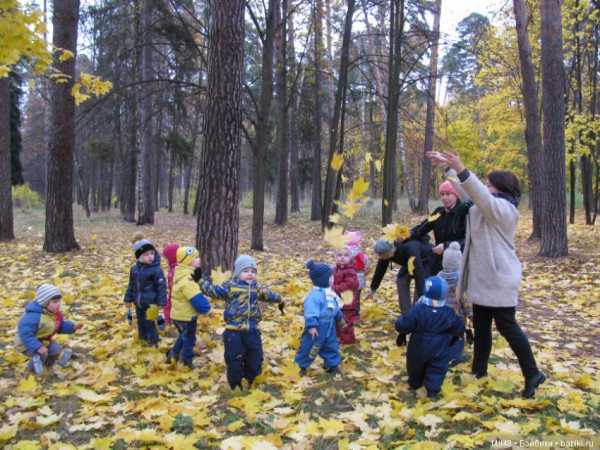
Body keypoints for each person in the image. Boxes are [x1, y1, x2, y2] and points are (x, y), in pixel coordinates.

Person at [427, 150, 546, 398]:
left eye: (489, 184)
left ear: (500, 188)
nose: (485, 187)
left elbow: (478, 193)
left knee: (508, 327)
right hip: (483, 279)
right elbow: (468, 192)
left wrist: (461, 168)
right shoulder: (486, 205)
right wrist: (449, 169)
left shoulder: (504, 210)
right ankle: (479, 371)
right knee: (481, 329)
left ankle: (532, 373)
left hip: (499, 279)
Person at [199, 255, 284, 390]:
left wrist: (280, 299)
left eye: (253, 271)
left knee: (255, 357)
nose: (250, 274)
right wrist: (201, 281)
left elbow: (269, 295)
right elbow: (213, 291)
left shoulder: (257, 287)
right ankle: (235, 384)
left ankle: (252, 380)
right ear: (238, 272)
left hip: (252, 330)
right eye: (246, 271)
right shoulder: (230, 286)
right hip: (234, 332)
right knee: (234, 359)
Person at [394, 276, 464, 399]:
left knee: (415, 365)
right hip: (440, 347)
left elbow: (404, 324)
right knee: (437, 367)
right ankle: (433, 389)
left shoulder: (418, 309)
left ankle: (415, 383)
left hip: (418, 345)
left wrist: (399, 324)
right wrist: (457, 335)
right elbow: (458, 327)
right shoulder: (448, 312)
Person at [367, 238, 431, 345]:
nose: (381, 258)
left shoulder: (410, 248)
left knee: (419, 295)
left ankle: (417, 321)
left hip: (424, 262)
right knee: (401, 280)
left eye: (383, 256)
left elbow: (419, 272)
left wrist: (422, 295)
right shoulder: (386, 252)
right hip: (408, 263)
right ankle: (407, 320)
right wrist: (373, 288)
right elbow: (380, 269)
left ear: (391, 250)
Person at [15, 284, 82, 375]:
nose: (58, 304)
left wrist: (71, 327)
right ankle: (32, 372)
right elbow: (25, 334)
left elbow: (59, 325)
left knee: (56, 349)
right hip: (26, 343)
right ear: (44, 303)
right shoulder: (33, 317)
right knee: (42, 354)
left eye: (59, 301)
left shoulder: (55, 313)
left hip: (43, 339)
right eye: (55, 302)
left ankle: (48, 365)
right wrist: (37, 346)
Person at [295, 260, 346, 375]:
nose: (333, 279)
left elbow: (334, 308)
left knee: (331, 345)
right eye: (330, 277)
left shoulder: (331, 294)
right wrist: (312, 325)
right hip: (317, 328)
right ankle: (301, 365)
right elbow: (311, 312)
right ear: (322, 279)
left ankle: (332, 365)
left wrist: (340, 318)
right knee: (310, 347)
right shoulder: (314, 296)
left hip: (330, 326)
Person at [410, 181, 471, 274]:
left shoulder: (464, 214)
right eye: (442, 194)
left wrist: (446, 246)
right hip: (438, 261)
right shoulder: (439, 212)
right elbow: (422, 228)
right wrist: (405, 234)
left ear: (456, 195)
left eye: (448, 194)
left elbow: (467, 240)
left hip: (458, 263)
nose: (444, 197)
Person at [166, 246, 211, 368]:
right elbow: (195, 297)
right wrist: (206, 307)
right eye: (195, 257)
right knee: (189, 339)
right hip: (186, 317)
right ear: (187, 261)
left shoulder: (180, 272)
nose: (199, 259)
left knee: (183, 336)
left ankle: (173, 355)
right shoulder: (187, 279)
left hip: (177, 314)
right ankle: (186, 362)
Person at [124, 235, 167, 346]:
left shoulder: (156, 270)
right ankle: (143, 338)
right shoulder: (134, 269)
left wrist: (161, 302)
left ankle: (153, 341)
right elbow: (131, 285)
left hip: (151, 303)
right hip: (138, 302)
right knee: (140, 321)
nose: (150, 257)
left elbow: (161, 287)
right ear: (138, 256)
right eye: (146, 254)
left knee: (150, 323)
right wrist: (128, 298)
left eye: (152, 253)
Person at [437, 241, 472, 365]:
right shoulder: (461, 280)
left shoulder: (438, 276)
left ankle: (442, 354)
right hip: (457, 315)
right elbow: (465, 300)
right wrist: (470, 314)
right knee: (457, 337)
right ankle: (455, 357)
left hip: (440, 314)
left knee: (442, 335)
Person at [332, 247, 360, 345]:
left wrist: (334, 288)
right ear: (335, 257)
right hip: (338, 301)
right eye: (339, 255)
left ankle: (348, 341)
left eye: (346, 255)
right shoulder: (335, 269)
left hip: (348, 303)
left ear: (350, 258)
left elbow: (349, 285)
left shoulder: (351, 271)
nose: (342, 258)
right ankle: (339, 338)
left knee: (346, 323)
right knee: (337, 321)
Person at [344, 231, 369, 319]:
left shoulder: (345, 254)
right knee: (357, 298)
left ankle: (346, 313)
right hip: (359, 280)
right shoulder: (363, 255)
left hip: (347, 279)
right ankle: (356, 314)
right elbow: (366, 268)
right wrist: (363, 274)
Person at [162, 243, 180, 324]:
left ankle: (168, 320)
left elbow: (171, 294)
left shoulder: (173, 272)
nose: (165, 261)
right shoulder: (183, 267)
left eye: (166, 258)